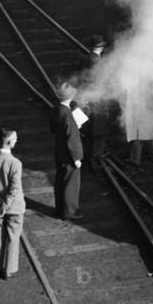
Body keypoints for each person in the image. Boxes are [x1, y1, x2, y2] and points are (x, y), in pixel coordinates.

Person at [0, 129, 25, 279]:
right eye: (15, 139)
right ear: (9, 142)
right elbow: (14, 189)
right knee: (13, 237)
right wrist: (6, 205)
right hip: (14, 208)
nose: (16, 141)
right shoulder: (15, 163)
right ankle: (8, 270)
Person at [51, 82, 84, 219]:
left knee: (60, 181)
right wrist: (76, 158)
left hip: (59, 151)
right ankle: (70, 212)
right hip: (69, 155)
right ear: (70, 96)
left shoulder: (56, 109)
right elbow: (72, 139)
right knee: (71, 184)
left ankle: (60, 209)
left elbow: (53, 129)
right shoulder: (67, 114)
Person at [80, 35, 110, 169]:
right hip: (98, 100)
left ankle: (88, 156)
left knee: (88, 130)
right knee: (99, 131)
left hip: (87, 99)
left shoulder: (85, 59)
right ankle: (95, 159)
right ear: (102, 47)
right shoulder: (99, 62)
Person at [124, 72, 153, 167]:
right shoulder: (152, 76)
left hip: (138, 110)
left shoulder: (133, 78)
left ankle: (135, 160)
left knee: (137, 136)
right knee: (152, 134)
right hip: (151, 109)